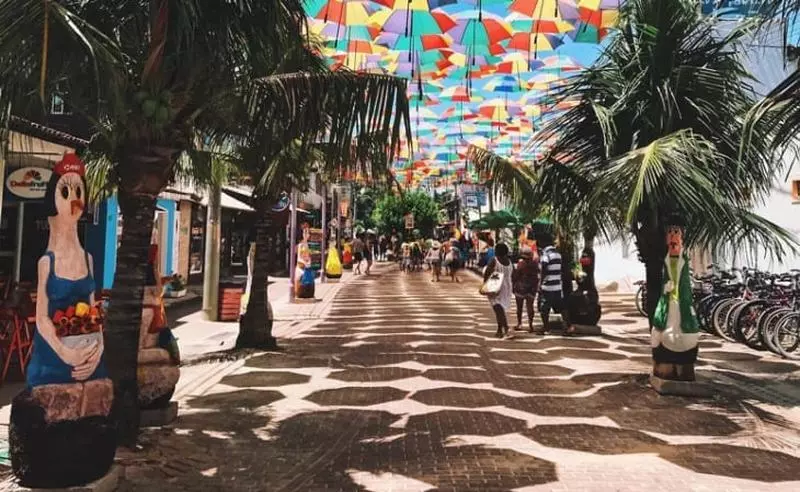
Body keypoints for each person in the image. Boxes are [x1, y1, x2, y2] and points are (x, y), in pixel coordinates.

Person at [539, 236, 569, 334]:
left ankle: (546, 328)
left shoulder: (545, 255)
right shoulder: (557, 254)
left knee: (544, 308)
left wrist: (540, 283)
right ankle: (568, 326)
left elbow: (544, 269)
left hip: (547, 286)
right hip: (557, 286)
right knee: (561, 306)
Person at [484, 243, 514, 339]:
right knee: (500, 309)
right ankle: (499, 330)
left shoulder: (494, 260)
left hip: (495, 285)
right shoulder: (509, 262)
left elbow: (487, 272)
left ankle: (506, 328)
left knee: (498, 308)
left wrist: (485, 284)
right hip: (507, 286)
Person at [513, 246, 540, 333]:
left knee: (519, 307)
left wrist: (513, 284)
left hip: (521, 287)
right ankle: (530, 325)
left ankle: (519, 323)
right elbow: (537, 275)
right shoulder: (535, 264)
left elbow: (516, 275)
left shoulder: (521, 264)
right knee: (530, 307)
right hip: (532, 288)